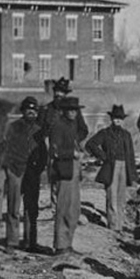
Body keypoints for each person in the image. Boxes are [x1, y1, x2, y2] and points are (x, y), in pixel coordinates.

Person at [85, 104, 137, 233]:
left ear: (123, 120)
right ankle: (113, 226)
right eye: (115, 118)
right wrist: (104, 157)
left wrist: (133, 175)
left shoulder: (126, 135)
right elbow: (90, 144)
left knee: (121, 198)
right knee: (111, 197)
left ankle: (120, 225)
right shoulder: (105, 133)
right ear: (111, 119)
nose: (117, 120)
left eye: (119, 118)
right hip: (111, 167)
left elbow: (130, 155)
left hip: (124, 166)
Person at [39, 78, 88, 211]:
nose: (59, 95)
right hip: (53, 148)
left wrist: (74, 139)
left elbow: (83, 129)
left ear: (65, 94)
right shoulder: (47, 109)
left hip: (71, 149)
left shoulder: (73, 111)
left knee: (72, 179)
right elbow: (40, 129)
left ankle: (72, 209)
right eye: (57, 92)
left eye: (62, 93)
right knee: (55, 178)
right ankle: (55, 209)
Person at [2, 96, 44, 251]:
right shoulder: (14, 127)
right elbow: (5, 148)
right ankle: (12, 241)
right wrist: (8, 167)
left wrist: (39, 168)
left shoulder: (39, 130)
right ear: (23, 111)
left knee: (30, 207)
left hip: (32, 172)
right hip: (15, 170)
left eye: (34, 110)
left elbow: (43, 153)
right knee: (13, 206)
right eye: (28, 110)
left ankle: (29, 242)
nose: (31, 113)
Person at [49, 97, 89, 255]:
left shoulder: (73, 124)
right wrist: (72, 152)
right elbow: (55, 151)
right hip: (63, 170)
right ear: (64, 111)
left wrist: (76, 146)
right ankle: (60, 245)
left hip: (73, 169)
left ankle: (68, 243)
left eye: (75, 110)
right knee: (64, 208)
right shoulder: (58, 126)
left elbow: (82, 132)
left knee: (73, 209)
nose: (73, 113)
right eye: (70, 110)